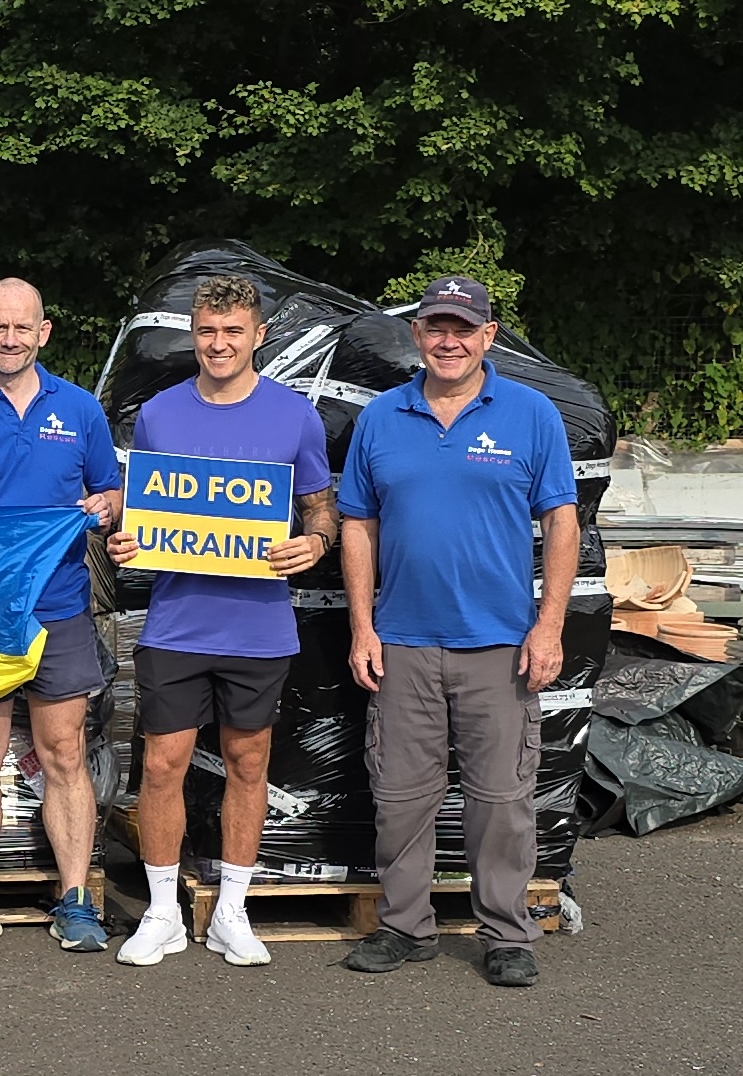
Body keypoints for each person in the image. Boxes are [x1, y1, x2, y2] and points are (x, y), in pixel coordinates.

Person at [337, 276, 578, 988]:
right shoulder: (382, 418)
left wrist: (550, 627)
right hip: (403, 641)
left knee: (501, 801)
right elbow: (358, 524)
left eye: (463, 329)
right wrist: (361, 627)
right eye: (436, 327)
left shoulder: (531, 415)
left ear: (488, 336)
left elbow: (562, 522)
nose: (449, 341)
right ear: (417, 336)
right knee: (400, 797)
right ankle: (404, 927)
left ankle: (505, 934)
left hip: (501, 645)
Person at [105, 276, 335, 967]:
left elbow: (322, 505)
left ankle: (233, 909)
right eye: (207, 331)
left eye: (233, 331)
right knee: (164, 764)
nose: (219, 344)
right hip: (176, 622)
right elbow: (148, 512)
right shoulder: (160, 414)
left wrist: (316, 541)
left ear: (258, 336)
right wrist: (128, 538)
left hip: (258, 625)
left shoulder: (296, 416)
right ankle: (164, 913)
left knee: (248, 761)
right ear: (193, 334)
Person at [0, 277, 121, 953]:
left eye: (22, 328)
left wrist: (109, 509)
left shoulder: (82, 409)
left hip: (61, 608)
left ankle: (75, 901)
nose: (9, 339)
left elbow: (110, 490)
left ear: (44, 332)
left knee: (65, 752)